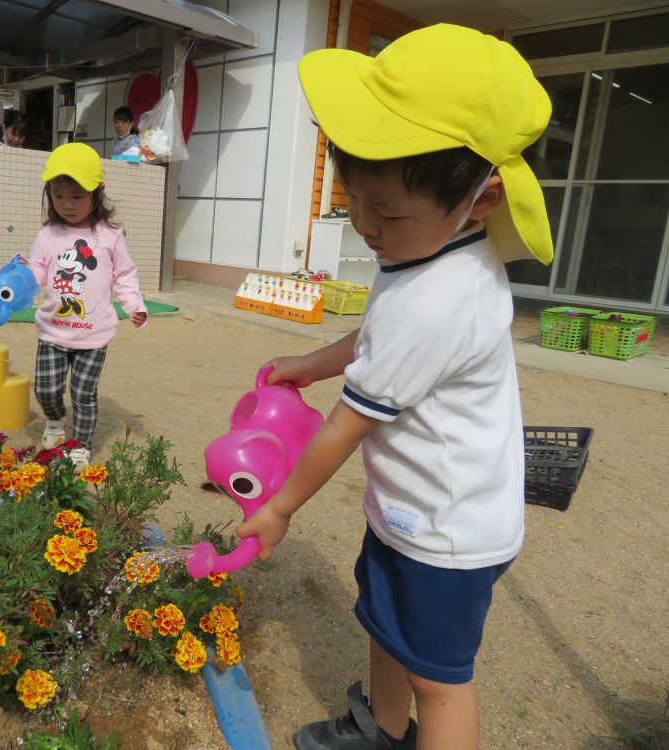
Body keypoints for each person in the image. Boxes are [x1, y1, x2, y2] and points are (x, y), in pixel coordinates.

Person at [234, 24, 554, 750]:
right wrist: (315, 362)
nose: (369, 228)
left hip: (446, 533)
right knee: (384, 625)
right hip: (414, 510)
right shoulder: (434, 247)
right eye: (356, 203)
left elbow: (350, 423)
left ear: (482, 196)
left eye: (390, 214)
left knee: (441, 683)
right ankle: (377, 727)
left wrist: (281, 507)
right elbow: (381, 337)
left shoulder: (441, 295)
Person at [23, 143, 148, 470]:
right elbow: (38, 268)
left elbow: (124, 273)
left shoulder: (109, 235)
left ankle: (79, 445)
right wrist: (22, 278)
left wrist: (134, 303)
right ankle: (55, 420)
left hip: (94, 336)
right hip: (53, 331)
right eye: (58, 195)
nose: (67, 204)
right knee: (46, 389)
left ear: (98, 191)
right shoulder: (48, 234)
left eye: (77, 196)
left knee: (84, 394)